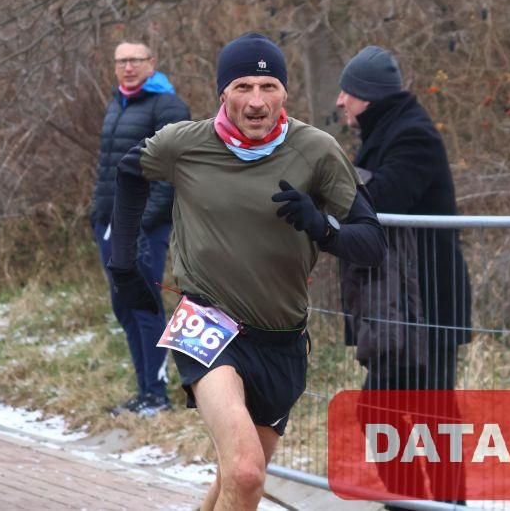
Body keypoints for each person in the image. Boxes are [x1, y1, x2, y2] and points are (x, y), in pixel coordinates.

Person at [107, 32, 386, 510]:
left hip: (282, 339)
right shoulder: (185, 144)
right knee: (245, 471)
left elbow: (373, 243)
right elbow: (130, 172)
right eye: (243, 87)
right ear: (223, 94)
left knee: (234, 481)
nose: (256, 102)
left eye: (268, 87)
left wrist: (321, 227)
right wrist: (124, 266)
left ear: (284, 93)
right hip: (206, 323)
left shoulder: (316, 150)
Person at [336, 45, 472, 505]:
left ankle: (443, 505)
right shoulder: (388, 131)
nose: (340, 100)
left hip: (426, 306)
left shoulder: (413, 135)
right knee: (387, 413)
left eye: (348, 92)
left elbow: (384, 198)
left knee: (426, 417)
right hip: (398, 307)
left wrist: (328, 178)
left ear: (369, 95)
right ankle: (418, 503)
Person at [90, 41, 190, 417]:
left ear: (152, 63)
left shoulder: (167, 105)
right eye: (121, 61)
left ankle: (157, 395)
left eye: (135, 60)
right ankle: (143, 390)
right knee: (124, 306)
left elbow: (174, 169)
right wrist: (97, 213)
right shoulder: (117, 102)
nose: (128, 67)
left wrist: (146, 219)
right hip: (110, 223)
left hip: (143, 226)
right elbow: (108, 165)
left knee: (145, 304)